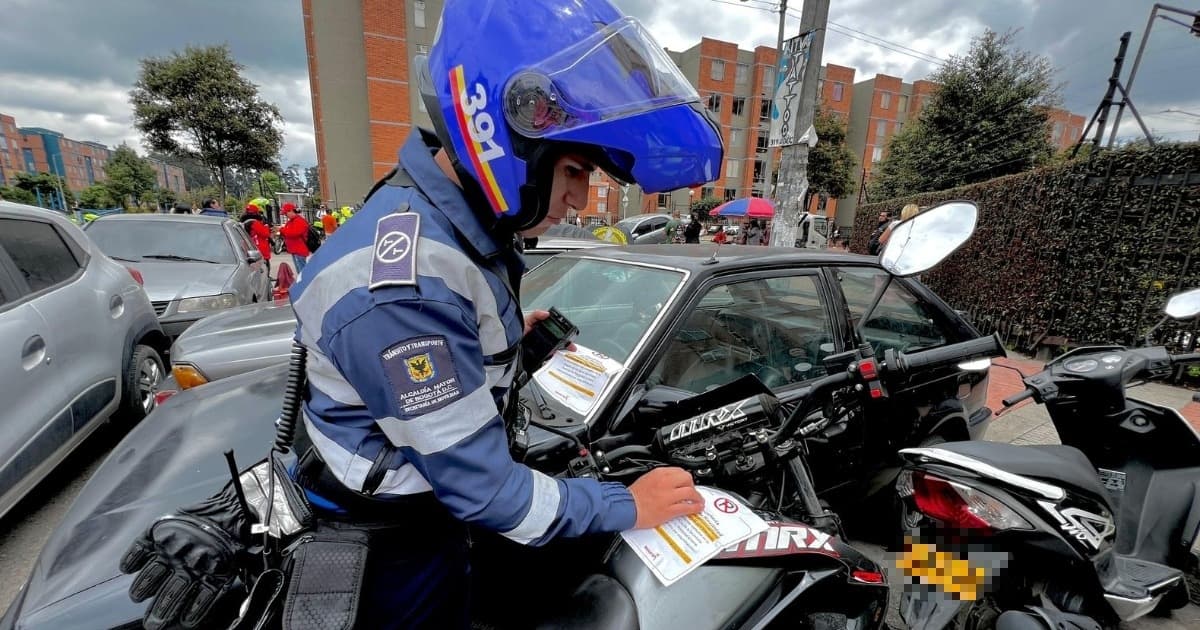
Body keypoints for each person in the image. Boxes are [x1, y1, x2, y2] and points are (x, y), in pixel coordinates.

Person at [118, 1, 723, 628]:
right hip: (395, 548)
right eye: (574, 170)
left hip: (415, 515)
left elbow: (442, 363)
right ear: (506, 138)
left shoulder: (444, 224)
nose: (578, 199)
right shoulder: (408, 287)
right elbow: (490, 494)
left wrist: (510, 346)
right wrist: (626, 502)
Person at [278, 202, 311, 273]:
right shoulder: (291, 221)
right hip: (295, 249)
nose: (285, 215)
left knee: (302, 271)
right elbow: (287, 232)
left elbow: (293, 233)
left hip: (299, 250)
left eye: (286, 213)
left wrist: (281, 230)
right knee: (300, 271)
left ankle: (304, 283)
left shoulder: (299, 221)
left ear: (291, 211)